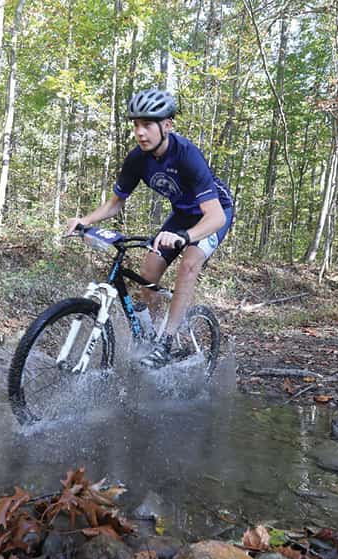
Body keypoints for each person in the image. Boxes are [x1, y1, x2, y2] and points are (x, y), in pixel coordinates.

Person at [66, 88, 234, 368]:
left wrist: (185, 237)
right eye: (136, 125)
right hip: (182, 214)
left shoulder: (187, 155)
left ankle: (167, 342)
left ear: (166, 125)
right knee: (147, 274)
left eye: (147, 125)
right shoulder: (137, 159)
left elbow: (215, 217)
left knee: (189, 264)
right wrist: (86, 220)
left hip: (214, 213)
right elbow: (115, 203)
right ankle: (156, 333)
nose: (140, 132)